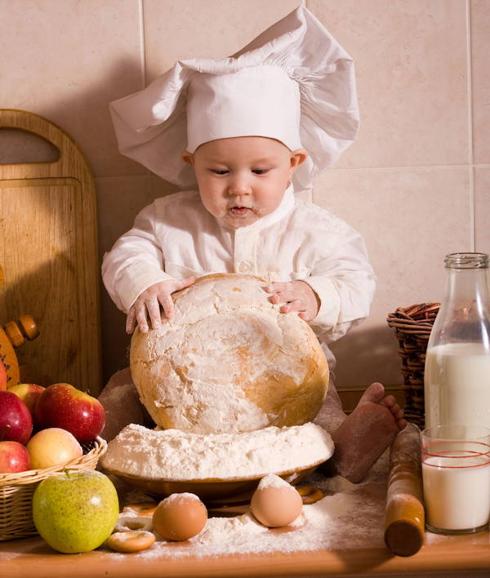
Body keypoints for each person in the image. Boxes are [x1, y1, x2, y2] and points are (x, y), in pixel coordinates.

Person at [100, 5, 406, 482]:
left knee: (318, 413)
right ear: (191, 162)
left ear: (295, 163)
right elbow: (127, 253)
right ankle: (93, 454)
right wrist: (145, 283)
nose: (239, 187)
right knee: (120, 397)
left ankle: (342, 452)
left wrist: (317, 294)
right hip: (175, 389)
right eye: (219, 171)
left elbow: (354, 279)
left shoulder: (315, 230)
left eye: (260, 171)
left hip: (284, 382)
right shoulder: (168, 219)